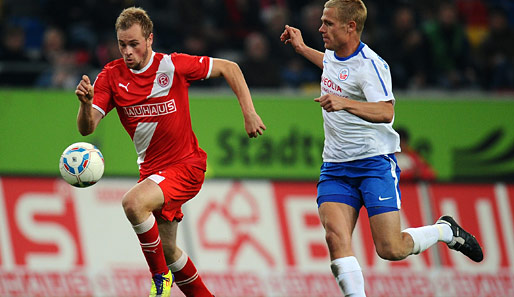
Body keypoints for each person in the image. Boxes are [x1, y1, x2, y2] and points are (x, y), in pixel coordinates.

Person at [280, 1, 483, 296]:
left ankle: (445, 231)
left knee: (391, 248)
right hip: (336, 167)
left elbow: (386, 112)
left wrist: (345, 103)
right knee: (335, 238)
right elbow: (334, 68)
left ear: (351, 27)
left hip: (373, 164)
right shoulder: (335, 56)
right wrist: (301, 49)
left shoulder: (372, 66)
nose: (320, 28)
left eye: (328, 23)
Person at [75, 7, 266, 297]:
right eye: (122, 44)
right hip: (152, 173)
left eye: (134, 44)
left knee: (132, 204)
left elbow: (231, 67)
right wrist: (86, 104)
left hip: (186, 166)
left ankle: (159, 277)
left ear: (150, 39)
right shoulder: (111, 76)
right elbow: (87, 129)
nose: (127, 51)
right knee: (167, 249)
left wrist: (249, 113)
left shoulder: (172, 66)